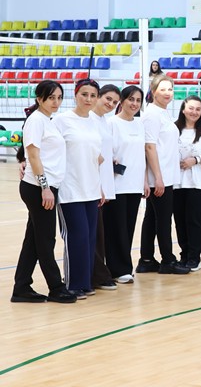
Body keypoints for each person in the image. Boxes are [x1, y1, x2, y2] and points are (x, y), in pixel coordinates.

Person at [12, 81, 77, 304]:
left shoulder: (48, 121)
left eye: (59, 97)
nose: (56, 102)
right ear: (39, 99)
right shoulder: (36, 120)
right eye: (51, 98)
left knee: (34, 239)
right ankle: (56, 287)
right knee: (46, 239)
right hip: (38, 188)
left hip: (46, 187)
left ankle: (21, 287)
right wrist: (45, 187)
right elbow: (33, 155)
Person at [53, 79, 106, 298]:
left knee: (90, 238)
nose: (88, 99)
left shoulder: (95, 121)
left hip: (91, 189)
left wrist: (100, 186)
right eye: (84, 94)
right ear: (75, 95)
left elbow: (95, 157)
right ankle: (72, 283)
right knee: (77, 236)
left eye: (93, 95)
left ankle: (85, 283)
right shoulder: (61, 120)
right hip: (69, 189)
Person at [138, 76, 190, 275]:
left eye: (170, 89)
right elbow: (149, 147)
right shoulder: (152, 114)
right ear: (153, 92)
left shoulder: (163, 113)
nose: (168, 93)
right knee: (163, 219)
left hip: (166, 174)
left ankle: (146, 259)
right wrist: (157, 178)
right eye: (163, 89)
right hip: (159, 177)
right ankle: (168, 260)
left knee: (152, 218)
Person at [173, 96, 201, 271]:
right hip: (177, 183)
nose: (194, 112)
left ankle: (194, 257)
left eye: (198, 109)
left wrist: (196, 160)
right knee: (180, 221)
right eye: (191, 108)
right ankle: (184, 255)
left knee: (195, 221)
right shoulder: (173, 129)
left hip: (198, 183)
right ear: (183, 109)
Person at [107, 85, 145, 283]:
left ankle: (124, 267)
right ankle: (117, 269)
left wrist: (144, 181)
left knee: (129, 227)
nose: (134, 104)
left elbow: (142, 155)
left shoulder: (140, 124)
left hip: (135, 184)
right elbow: (107, 152)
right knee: (116, 228)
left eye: (138, 100)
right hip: (117, 185)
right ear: (121, 101)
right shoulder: (111, 123)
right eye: (131, 99)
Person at [90, 84, 119, 292]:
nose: (110, 104)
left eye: (115, 102)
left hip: (104, 185)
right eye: (108, 99)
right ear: (98, 97)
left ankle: (98, 273)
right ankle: (96, 274)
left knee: (100, 233)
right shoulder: (89, 119)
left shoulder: (105, 121)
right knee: (94, 233)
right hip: (92, 185)